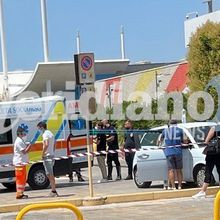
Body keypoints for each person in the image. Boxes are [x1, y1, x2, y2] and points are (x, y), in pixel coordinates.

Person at [192, 126, 220, 198]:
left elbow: (207, 140)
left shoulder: (215, 127)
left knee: (208, 171)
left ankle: (203, 191)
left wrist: (207, 141)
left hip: (212, 153)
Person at [160, 119, 185, 190]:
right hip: (178, 152)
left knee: (171, 170)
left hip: (169, 152)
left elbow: (160, 140)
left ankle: (173, 186)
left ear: (169, 124)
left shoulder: (165, 131)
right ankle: (180, 186)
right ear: (176, 123)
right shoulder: (180, 130)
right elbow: (185, 141)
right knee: (179, 170)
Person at [37, 121, 58, 197]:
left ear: (42, 127)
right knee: (49, 174)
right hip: (51, 156)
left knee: (50, 174)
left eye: (39, 129)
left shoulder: (45, 134)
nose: (39, 130)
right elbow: (55, 143)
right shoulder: (50, 133)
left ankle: (54, 191)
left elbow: (46, 144)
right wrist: (52, 151)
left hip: (47, 157)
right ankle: (53, 190)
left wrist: (42, 154)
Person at [13, 126, 32, 199]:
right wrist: (30, 145)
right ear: (20, 133)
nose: (25, 135)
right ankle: (19, 194)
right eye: (23, 133)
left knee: (23, 179)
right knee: (20, 179)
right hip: (19, 164)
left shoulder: (20, 141)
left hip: (21, 163)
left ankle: (21, 193)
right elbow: (24, 151)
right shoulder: (19, 141)